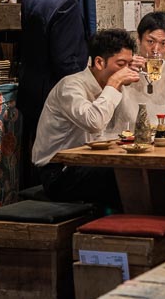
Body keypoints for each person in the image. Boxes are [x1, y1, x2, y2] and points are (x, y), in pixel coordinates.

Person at [32, 29, 141, 206]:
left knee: (141, 170)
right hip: (59, 173)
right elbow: (94, 122)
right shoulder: (71, 87)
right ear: (99, 62)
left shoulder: (107, 87)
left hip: (88, 163)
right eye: (121, 64)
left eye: (129, 64)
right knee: (125, 175)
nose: (126, 70)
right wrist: (114, 84)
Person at [18, 0, 88, 187]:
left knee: (33, 156)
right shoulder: (65, 1)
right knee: (53, 161)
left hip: (30, 89)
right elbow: (66, 61)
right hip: (54, 95)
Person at [103, 12, 165, 134]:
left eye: (163, 44)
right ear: (139, 40)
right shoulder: (122, 67)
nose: (156, 50)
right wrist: (122, 74)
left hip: (156, 142)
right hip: (119, 141)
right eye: (150, 41)